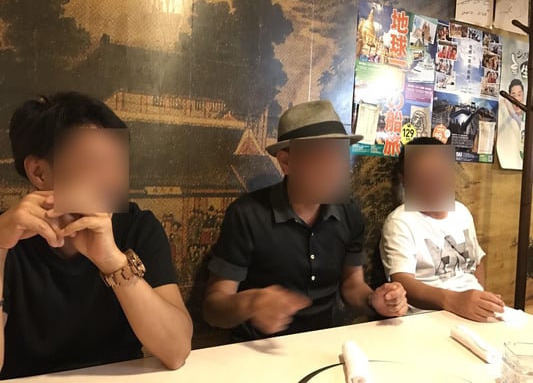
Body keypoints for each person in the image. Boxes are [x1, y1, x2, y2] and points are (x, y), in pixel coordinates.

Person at [0, 92, 192, 379]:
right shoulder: (7, 235)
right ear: (39, 172)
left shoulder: (137, 226)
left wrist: (112, 261)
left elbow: (176, 350)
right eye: (96, 162)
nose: (112, 178)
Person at [202, 100, 408, 342]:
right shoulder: (247, 214)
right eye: (321, 157)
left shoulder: (349, 211)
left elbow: (352, 284)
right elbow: (213, 309)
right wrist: (251, 302)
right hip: (258, 348)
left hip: (323, 344)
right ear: (286, 162)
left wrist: (375, 300)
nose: (336, 169)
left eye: (340, 155)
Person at [380, 137, 505, 322]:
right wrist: (454, 301)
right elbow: (402, 282)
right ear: (404, 180)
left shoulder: (461, 212)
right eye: (423, 174)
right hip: (427, 316)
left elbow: (477, 262)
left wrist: (480, 297)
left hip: (471, 312)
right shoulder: (400, 222)